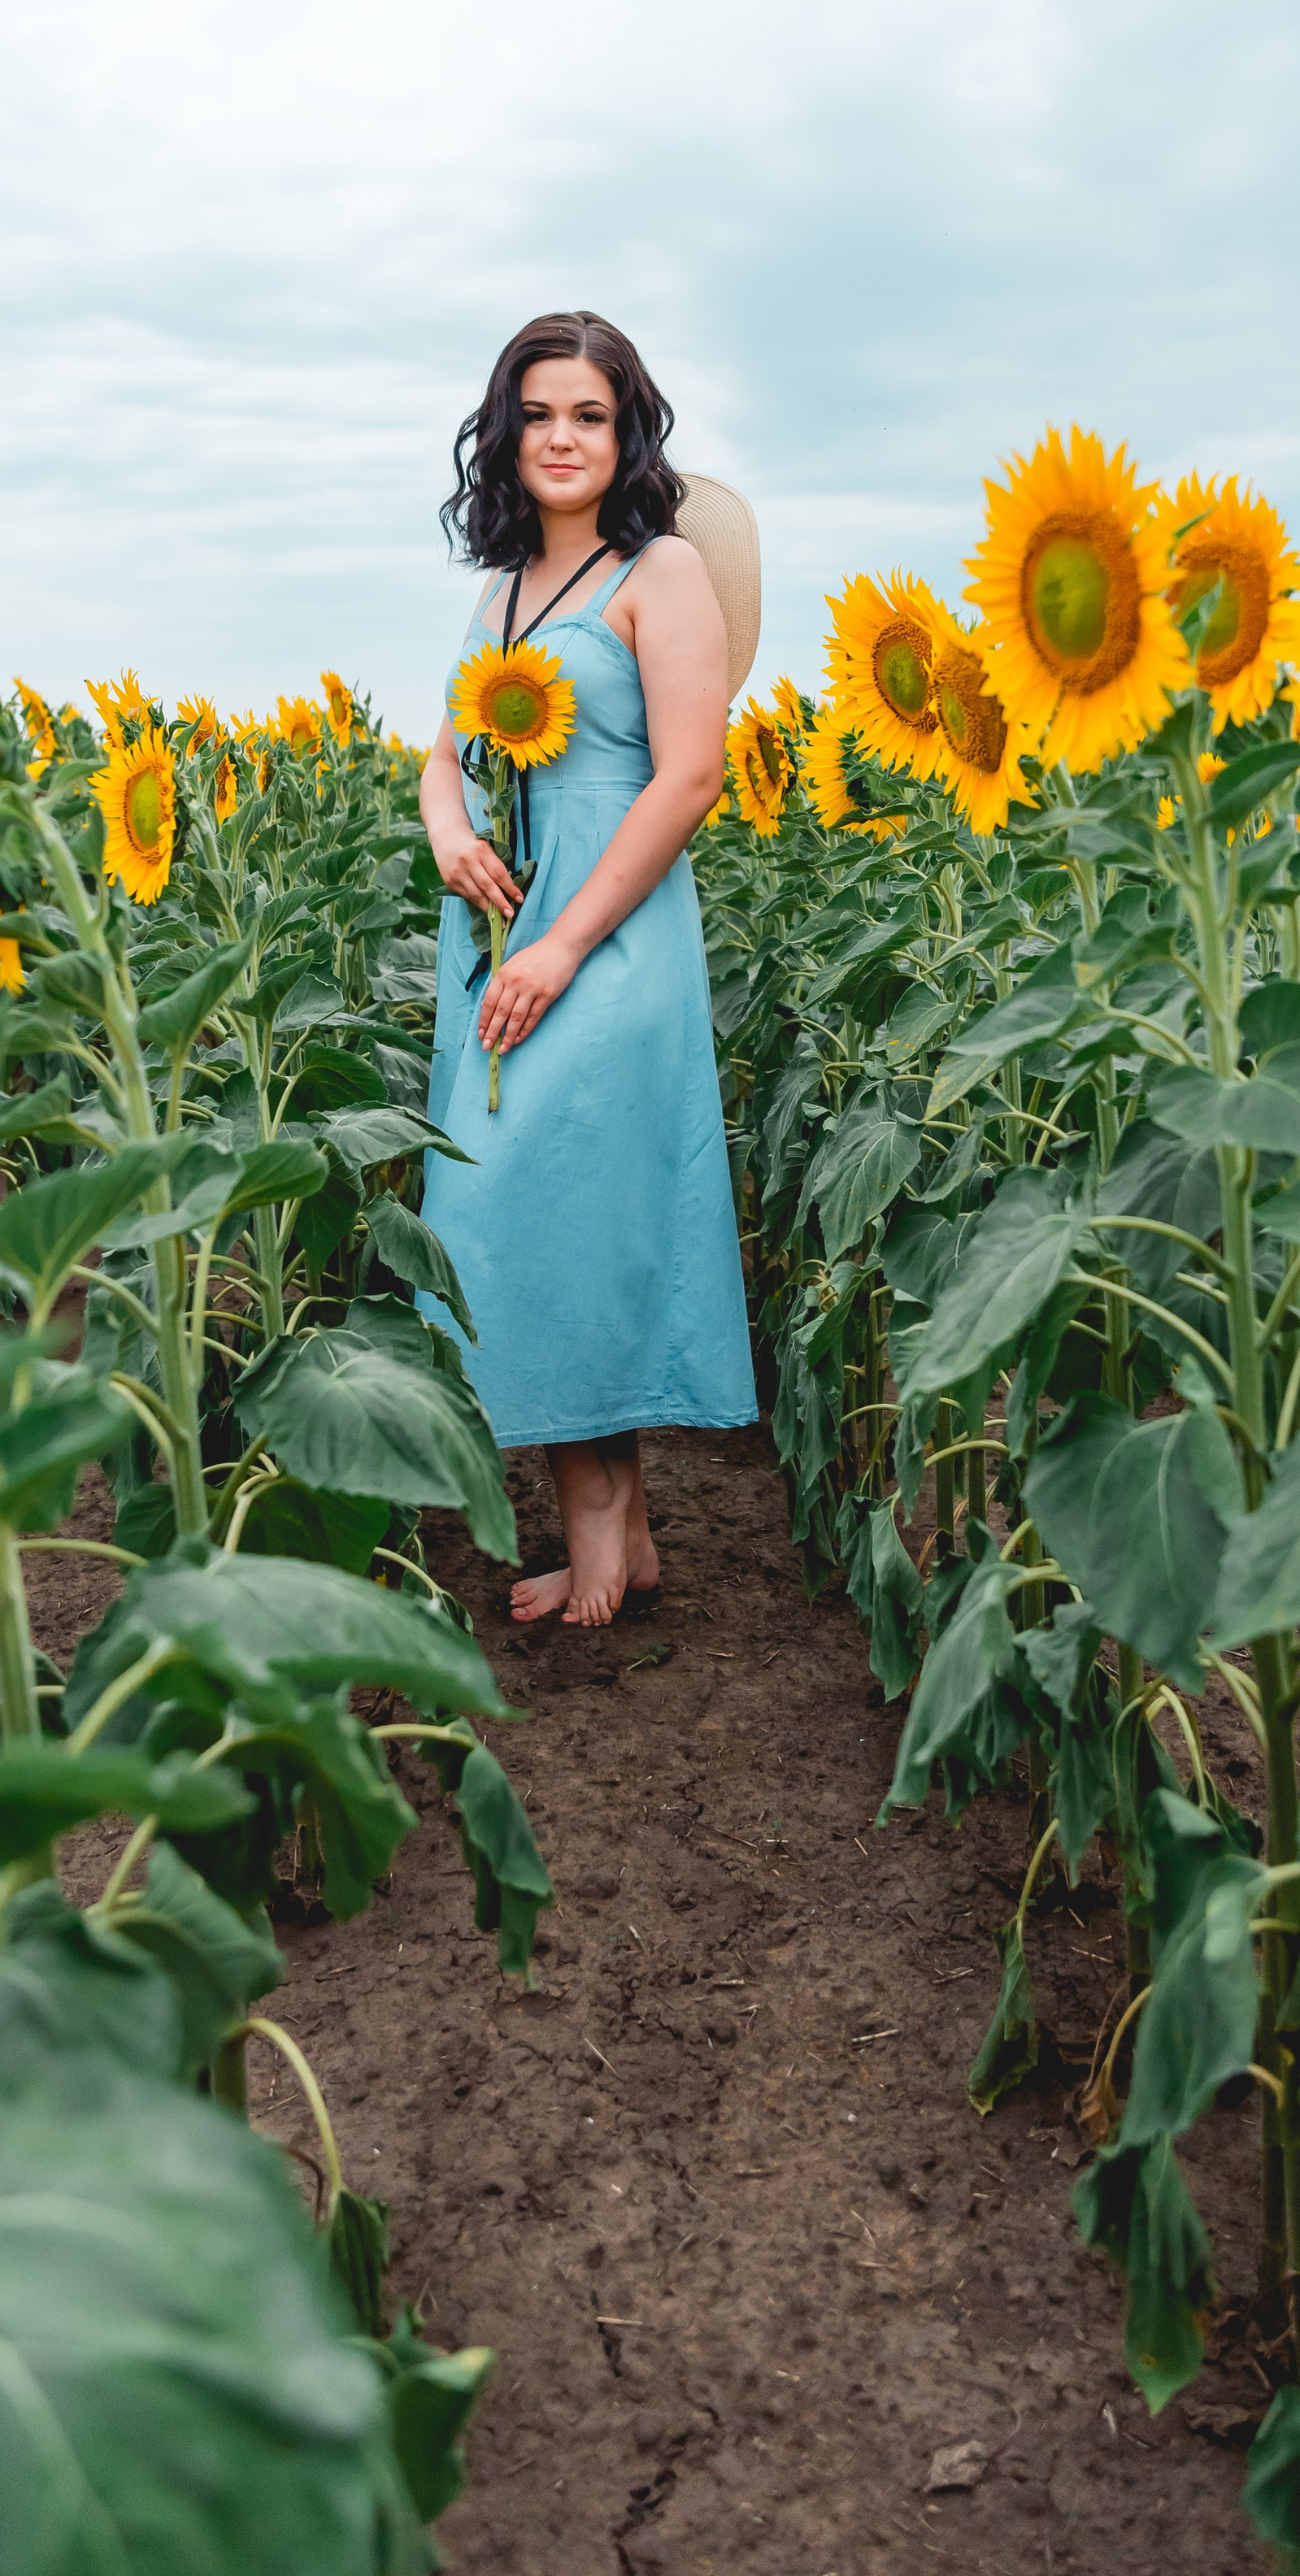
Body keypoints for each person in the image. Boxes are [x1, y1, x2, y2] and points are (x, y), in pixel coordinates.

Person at [416, 311, 759, 1624]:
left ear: (629, 436)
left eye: (592, 416)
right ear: (507, 434)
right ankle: (609, 1528)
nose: (564, 438)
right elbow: (443, 752)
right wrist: (451, 833)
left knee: (566, 1203)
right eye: (542, 414)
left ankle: (609, 1532)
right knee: (544, 1216)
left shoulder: (660, 571)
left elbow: (690, 775)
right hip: (509, 934)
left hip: (606, 938)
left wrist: (562, 942)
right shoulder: (499, 594)